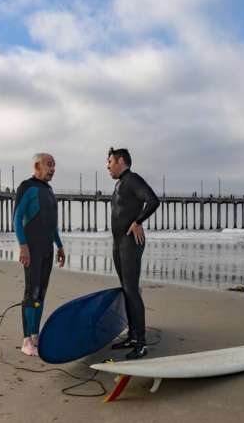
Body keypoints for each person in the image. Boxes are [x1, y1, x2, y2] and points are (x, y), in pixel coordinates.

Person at [107, 147, 159, 360]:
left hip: (130, 243)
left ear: (120, 161)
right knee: (126, 289)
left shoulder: (132, 179)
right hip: (119, 243)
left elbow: (153, 200)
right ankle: (132, 336)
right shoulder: (120, 183)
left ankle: (141, 342)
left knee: (132, 290)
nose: (107, 166)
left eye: (110, 161)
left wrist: (138, 222)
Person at [14, 153, 65, 356]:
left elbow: (51, 224)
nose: (53, 169)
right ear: (37, 165)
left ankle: (35, 335)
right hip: (32, 248)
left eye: (54, 165)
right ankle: (26, 340)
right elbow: (17, 218)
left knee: (41, 293)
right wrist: (23, 246)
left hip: (47, 249)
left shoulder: (49, 190)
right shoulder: (26, 187)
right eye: (49, 165)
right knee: (31, 292)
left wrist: (59, 246)